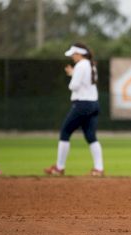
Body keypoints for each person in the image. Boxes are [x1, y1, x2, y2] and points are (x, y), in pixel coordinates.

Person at [44, 43, 104, 177]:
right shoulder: (91, 64)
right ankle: (98, 169)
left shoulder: (81, 65)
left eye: (73, 54)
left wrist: (73, 76)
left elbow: (74, 86)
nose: (72, 57)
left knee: (65, 132)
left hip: (82, 104)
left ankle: (59, 168)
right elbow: (87, 83)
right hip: (94, 104)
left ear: (79, 54)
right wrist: (73, 73)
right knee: (91, 136)